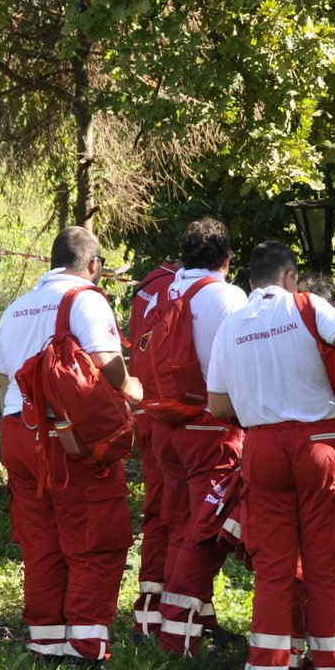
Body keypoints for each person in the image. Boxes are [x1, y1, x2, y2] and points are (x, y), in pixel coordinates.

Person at [206, 242, 335, 670]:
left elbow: (218, 405)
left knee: (273, 573)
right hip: (319, 443)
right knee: (327, 571)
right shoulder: (307, 304)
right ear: (290, 276)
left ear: (249, 279)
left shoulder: (232, 322)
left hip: (260, 448)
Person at [0, 227, 139, 670]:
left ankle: (46, 645)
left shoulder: (15, 308)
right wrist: (133, 389)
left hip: (16, 430)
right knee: (95, 536)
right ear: (93, 266)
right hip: (65, 435)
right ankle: (86, 652)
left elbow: (1, 385)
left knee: (41, 541)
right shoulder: (86, 299)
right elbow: (107, 363)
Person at [150, 218, 247, 658]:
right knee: (203, 533)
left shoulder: (165, 290)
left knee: (175, 528)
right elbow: (239, 365)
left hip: (168, 426)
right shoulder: (228, 296)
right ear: (227, 260)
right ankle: (178, 640)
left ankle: (170, 625)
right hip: (212, 427)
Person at [126, 259, 179, 644]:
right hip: (169, 413)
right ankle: (154, 610)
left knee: (163, 510)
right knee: (171, 513)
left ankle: (171, 605)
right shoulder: (182, 288)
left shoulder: (149, 283)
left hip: (147, 409)